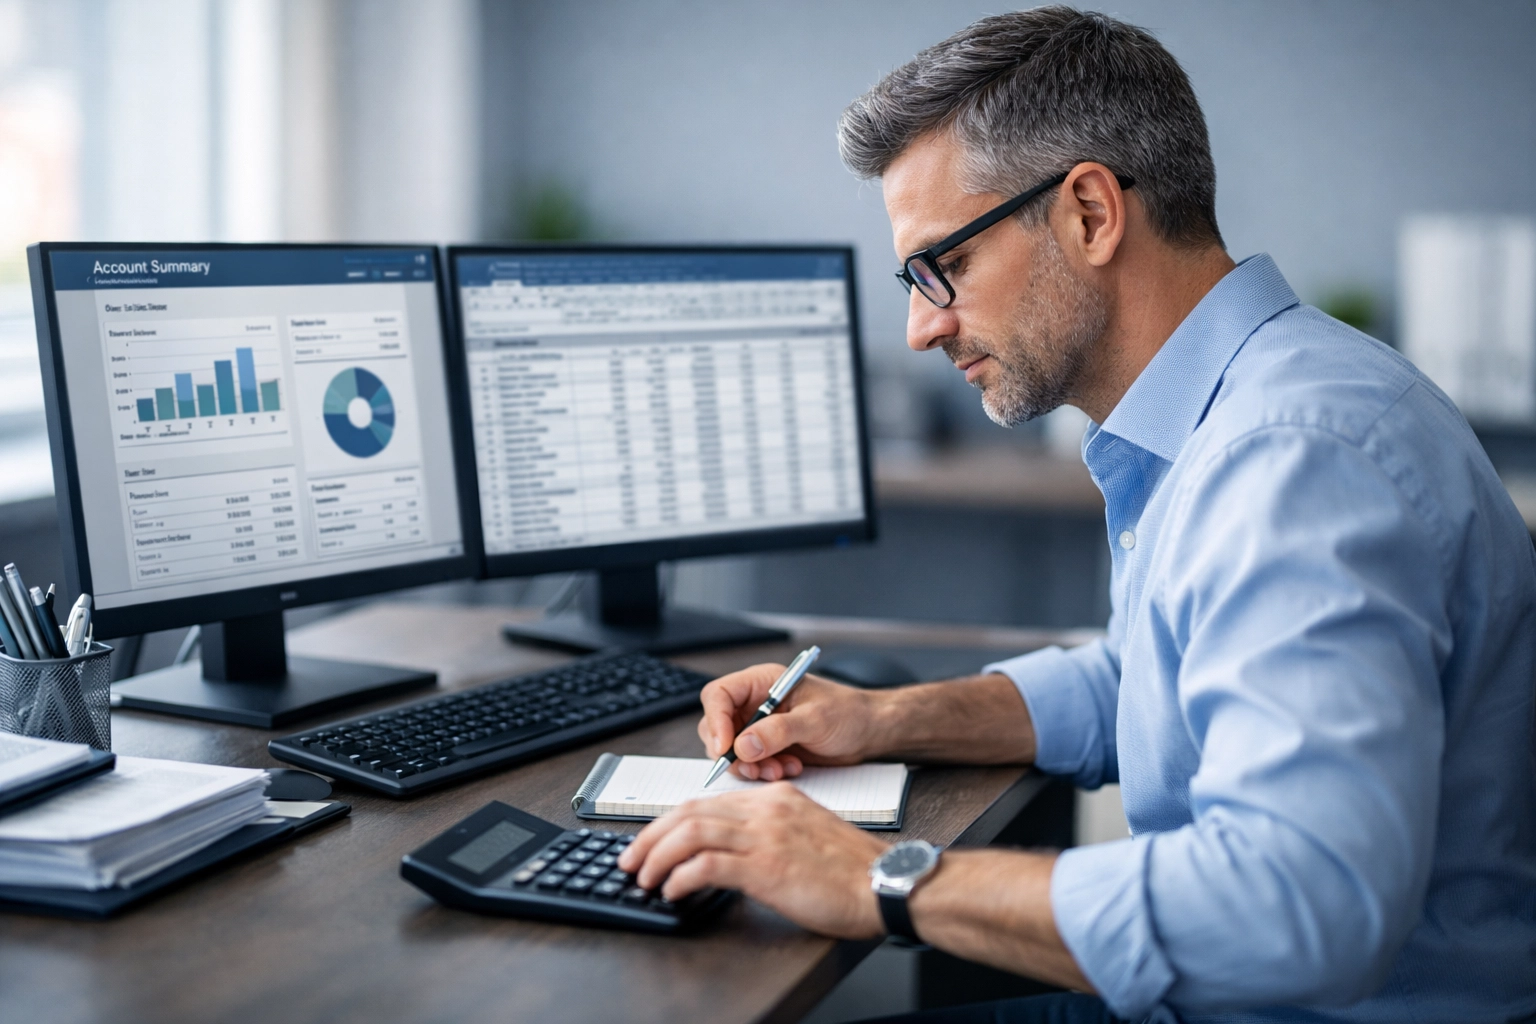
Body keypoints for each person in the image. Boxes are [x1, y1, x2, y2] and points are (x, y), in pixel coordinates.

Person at [618, 7, 1536, 1022]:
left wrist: (879, 879)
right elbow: (1153, 680)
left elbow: (1301, 908)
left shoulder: (1294, 459)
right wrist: (883, 718)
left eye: (945, 267)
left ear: (1090, 213)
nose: (922, 326)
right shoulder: (1232, 414)